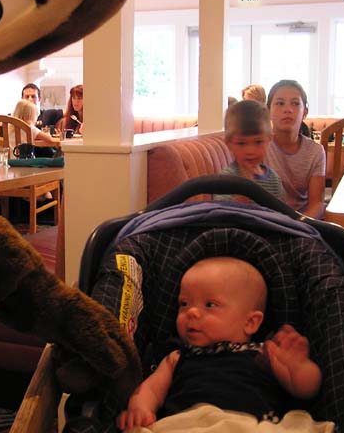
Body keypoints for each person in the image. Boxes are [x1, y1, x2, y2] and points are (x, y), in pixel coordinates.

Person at [116, 257, 323, 431]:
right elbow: (151, 390)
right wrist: (140, 409)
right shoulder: (177, 357)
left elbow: (306, 389)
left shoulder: (266, 354)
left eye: (210, 305)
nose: (192, 312)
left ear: (250, 322)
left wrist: (297, 366)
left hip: (251, 426)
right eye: (184, 303)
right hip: (188, 425)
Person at [265, 80, 326, 219]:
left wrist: (298, 226)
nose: (288, 109)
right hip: (267, 221)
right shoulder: (259, 146)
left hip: (302, 221)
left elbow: (317, 204)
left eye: (295, 103)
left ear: (305, 113)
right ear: (268, 111)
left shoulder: (315, 151)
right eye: (280, 103)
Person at [219, 100, 284, 201]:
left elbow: (281, 210)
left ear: (269, 140)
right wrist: (244, 196)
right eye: (241, 143)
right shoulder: (227, 178)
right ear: (229, 144)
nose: (250, 151)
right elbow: (220, 209)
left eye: (258, 142)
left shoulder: (274, 180)